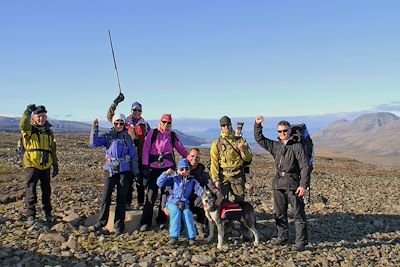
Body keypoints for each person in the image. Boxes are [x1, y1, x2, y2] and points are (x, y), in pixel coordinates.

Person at [254, 116, 311, 252]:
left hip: (293, 185)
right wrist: (257, 125)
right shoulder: (276, 146)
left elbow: (304, 166)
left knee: (298, 214)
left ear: (290, 130)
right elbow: (260, 139)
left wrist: (303, 185)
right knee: (279, 213)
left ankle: (301, 242)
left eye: (285, 131)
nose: (282, 134)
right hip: (278, 184)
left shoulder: (297, 146)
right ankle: (282, 237)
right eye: (279, 131)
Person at [90, 114, 139, 235]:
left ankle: (119, 226)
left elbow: (133, 156)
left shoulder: (128, 138)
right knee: (105, 197)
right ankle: (101, 223)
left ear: (124, 124)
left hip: (124, 172)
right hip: (110, 170)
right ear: (113, 123)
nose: (118, 125)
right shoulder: (108, 136)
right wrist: (94, 128)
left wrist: (136, 172)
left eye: (121, 123)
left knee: (121, 200)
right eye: (116, 123)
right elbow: (93, 143)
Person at [140, 114, 188, 232]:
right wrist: (145, 165)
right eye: (164, 122)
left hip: (168, 169)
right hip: (153, 168)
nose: (166, 124)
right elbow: (145, 149)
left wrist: (189, 159)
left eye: (169, 123)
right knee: (151, 195)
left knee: (165, 196)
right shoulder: (153, 133)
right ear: (160, 122)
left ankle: (161, 221)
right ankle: (145, 222)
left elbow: (180, 148)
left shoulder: (172, 135)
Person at [107, 93, 151, 210]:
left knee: (140, 180)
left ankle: (141, 202)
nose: (137, 112)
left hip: (140, 156)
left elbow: (151, 140)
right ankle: (127, 203)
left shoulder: (145, 125)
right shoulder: (124, 122)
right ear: (131, 110)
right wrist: (115, 102)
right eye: (135, 110)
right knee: (127, 181)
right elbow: (110, 116)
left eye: (139, 110)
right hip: (126, 156)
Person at [19, 104, 59, 224]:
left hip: (45, 164)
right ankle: (31, 215)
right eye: (38, 116)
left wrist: (55, 164)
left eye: (43, 116)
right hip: (31, 164)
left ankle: (48, 213)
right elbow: (23, 125)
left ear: (46, 117)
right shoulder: (29, 130)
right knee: (31, 190)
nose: (41, 119)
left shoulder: (49, 132)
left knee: (46, 190)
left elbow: (52, 149)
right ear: (33, 118)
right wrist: (27, 112)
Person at [156, 159, 203, 246]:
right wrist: (166, 173)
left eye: (186, 169)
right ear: (177, 170)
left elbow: (200, 190)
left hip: (184, 203)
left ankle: (191, 237)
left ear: (189, 170)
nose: (184, 171)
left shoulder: (192, 181)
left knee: (187, 213)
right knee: (175, 212)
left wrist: (205, 195)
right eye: (181, 169)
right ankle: (174, 236)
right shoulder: (173, 179)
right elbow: (159, 183)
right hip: (172, 202)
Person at [209, 116, 253, 202]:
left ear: (231, 124)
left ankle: (240, 215)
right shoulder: (216, 143)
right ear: (220, 127)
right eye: (223, 125)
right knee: (222, 201)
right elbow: (214, 163)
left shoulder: (240, 140)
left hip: (237, 175)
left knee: (240, 201)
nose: (226, 127)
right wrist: (215, 179)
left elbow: (248, 158)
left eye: (227, 124)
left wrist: (243, 149)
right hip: (223, 176)